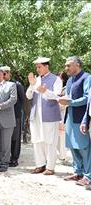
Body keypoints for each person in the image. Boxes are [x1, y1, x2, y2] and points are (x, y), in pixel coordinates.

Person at [26, 57, 62, 175]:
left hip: (50, 114)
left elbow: (57, 96)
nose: (37, 69)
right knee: (37, 139)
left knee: (50, 140)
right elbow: (29, 96)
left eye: (39, 67)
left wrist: (44, 91)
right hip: (36, 114)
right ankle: (40, 164)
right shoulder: (36, 80)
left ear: (47, 66)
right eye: (37, 67)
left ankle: (50, 167)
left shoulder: (56, 79)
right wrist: (32, 85)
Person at [62, 56, 90, 186]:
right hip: (70, 116)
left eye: (68, 65)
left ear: (77, 65)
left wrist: (70, 102)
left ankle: (88, 176)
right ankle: (78, 172)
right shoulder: (69, 80)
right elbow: (68, 98)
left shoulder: (87, 78)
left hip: (81, 117)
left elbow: (87, 98)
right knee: (72, 146)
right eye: (65, 65)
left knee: (84, 147)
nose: (66, 68)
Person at [2, 66, 26, 167]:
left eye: (5, 73)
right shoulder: (0, 85)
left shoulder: (17, 85)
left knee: (15, 138)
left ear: (9, 74)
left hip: (15, 115)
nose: (4, 75)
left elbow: (23, 100)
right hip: (3, 115)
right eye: (2, 73)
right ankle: (5, 157)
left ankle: (14, 159)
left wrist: (25, 116)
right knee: (5, 138)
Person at [57, 71, 69, 163]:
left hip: (63, 115)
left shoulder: (65, 89)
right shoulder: (59, 89)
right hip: (57, 115)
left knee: (62, 136)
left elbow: (65, 104)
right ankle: (60, 154)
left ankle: (62, 156)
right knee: (57, 136)